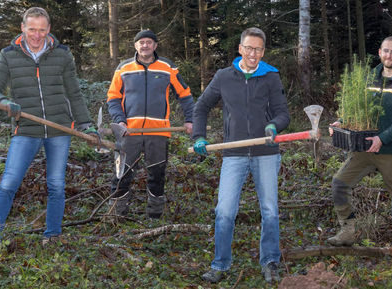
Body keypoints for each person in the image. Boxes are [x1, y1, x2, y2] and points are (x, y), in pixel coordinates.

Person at [0, 7, 98, 245]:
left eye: (42, 30)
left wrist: (86, 125)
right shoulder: (8, 55)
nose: (36, 35)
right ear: (22, 28)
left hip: (58, 129)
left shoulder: (62, 55)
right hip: (25, 128)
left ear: (49, 30)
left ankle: (53, 235)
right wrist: (3, 102)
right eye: (32, 29)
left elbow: (74, 93)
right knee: (9, 182)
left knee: (56, 184)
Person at [191, 27, 290, 284]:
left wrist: (273, 126)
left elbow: (283, 114)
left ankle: (270, 261)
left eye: (258, 49)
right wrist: (199, 137)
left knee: (269, 210)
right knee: (224, 211)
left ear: (263, 51)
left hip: (265, 153)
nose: (253, 53)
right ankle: (220, 264)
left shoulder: (271, 77)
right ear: (240, 49)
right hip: (233, 152)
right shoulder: (224, 76)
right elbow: (201, 107)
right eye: (249, 48)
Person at [326, 36, 392, 264]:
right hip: (363, 147)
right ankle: (347, 231)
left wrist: (383, 138)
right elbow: (357, 107)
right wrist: (342, 121)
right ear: (379, 52)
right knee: (340, 183)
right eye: (385, 51)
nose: (388, 55)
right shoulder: (369, 77)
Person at [106, 30, 194, 219]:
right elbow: (113, 98)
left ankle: (154, 216)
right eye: (141, 42)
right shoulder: (124, 68)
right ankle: (116, 214)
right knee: (123, 173)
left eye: (149, 42)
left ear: (155, 46)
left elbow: (185, 95)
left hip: (159, 131)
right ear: (135, 46)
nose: (145, 45)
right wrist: (119, 120)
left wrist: (190, 120)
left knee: (157, 173)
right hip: (129, 132)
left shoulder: (167, 67)